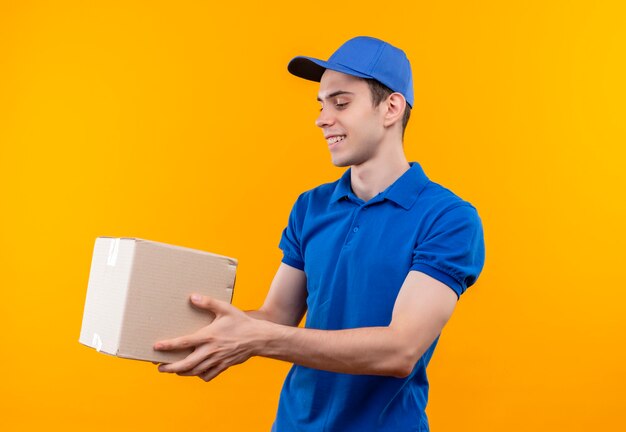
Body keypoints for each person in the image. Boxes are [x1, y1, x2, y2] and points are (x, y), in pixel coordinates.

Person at [154, 36, 485, 431]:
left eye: (341, 103)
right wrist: (174, 330)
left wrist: (256, 338)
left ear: (391, 108)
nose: (322, 118)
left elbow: (400, 350)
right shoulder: (310, 207)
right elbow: (276, 316)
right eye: (321, 104)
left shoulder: (448, 217)